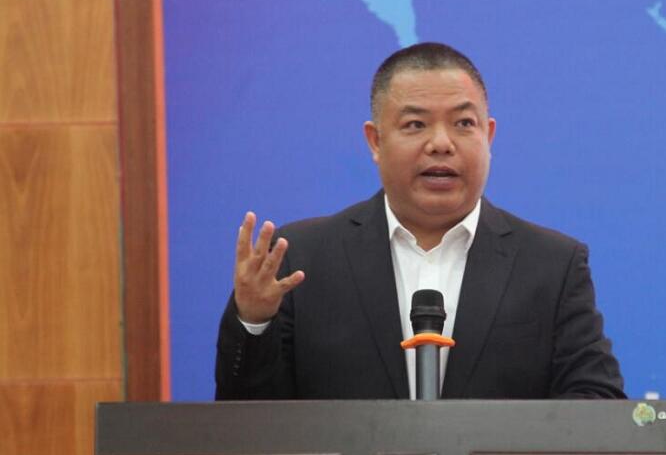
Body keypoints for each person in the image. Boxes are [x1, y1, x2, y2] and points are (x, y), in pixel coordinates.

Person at [215, 43, 624, 401]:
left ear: (489, 136)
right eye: (415, 125)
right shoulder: (302, 260)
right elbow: (251, 427)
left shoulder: (552, 265)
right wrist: (254, 322)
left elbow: (596, 401)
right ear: (376, 141)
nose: (441, 143)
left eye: (464, 124)